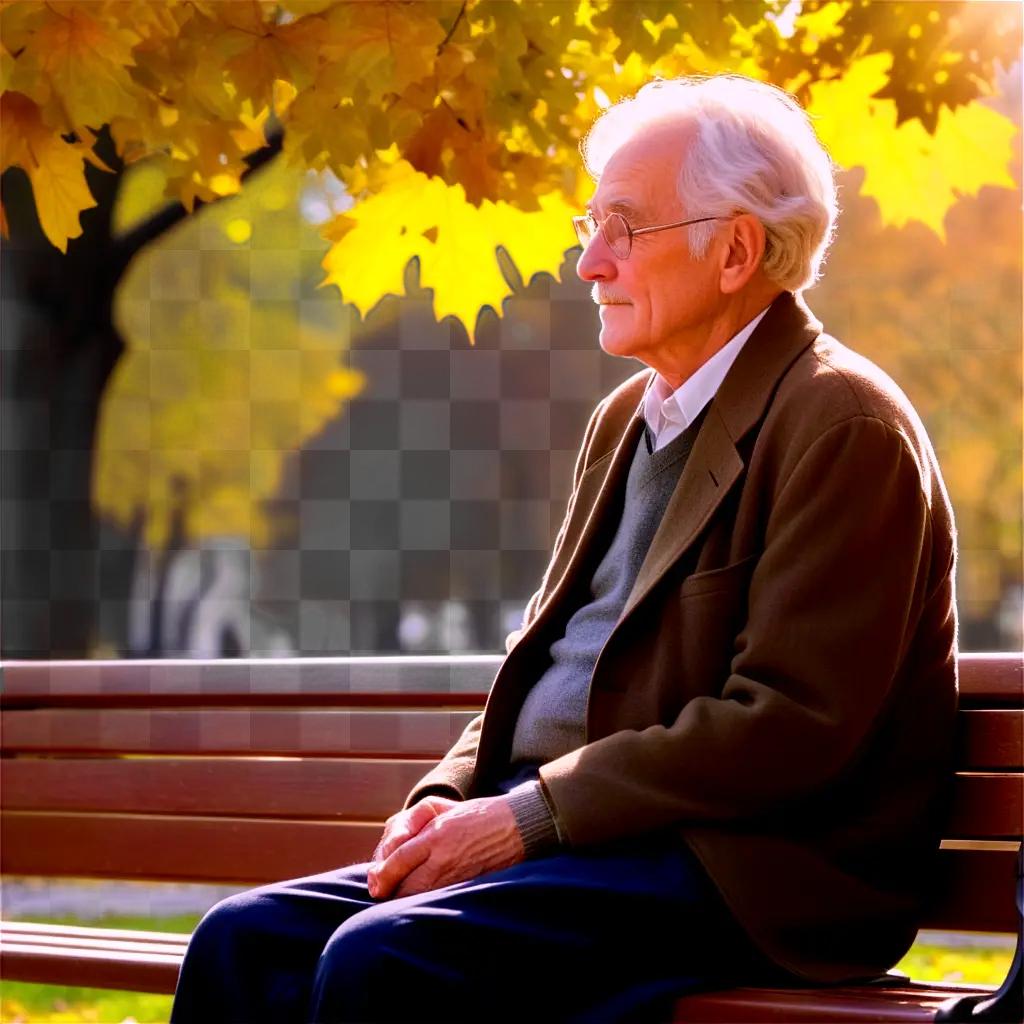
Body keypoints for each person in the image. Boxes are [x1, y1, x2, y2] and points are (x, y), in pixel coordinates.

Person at [170, 74, 958, 1024]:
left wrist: (525, 817)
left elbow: (791, 727)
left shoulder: (843, 423)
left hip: (749, 870)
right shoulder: (626, 418)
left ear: (736, 251)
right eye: (592, 229)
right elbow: (541, 658)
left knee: (389, 961)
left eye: (623, 228)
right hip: (586, 841)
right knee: (241, 941)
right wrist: (449, 794)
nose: (591, 264)